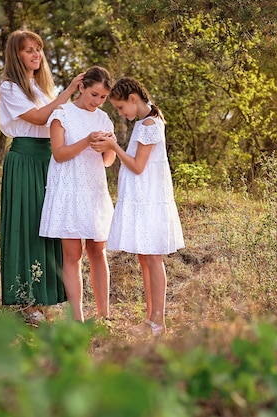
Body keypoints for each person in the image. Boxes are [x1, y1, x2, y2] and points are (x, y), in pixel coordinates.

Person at [0, 29, 84, 322]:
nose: (36, 55)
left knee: (51, 224)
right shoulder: (10, 88)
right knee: (29, 223)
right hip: (25, 159)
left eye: (38, 49)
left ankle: (46, 297)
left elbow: (58, 119)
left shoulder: (43, 89)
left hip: (50, 158)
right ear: (16, 54)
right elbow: (38, 118)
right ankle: (27, 300)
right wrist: (69, 91)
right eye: (28, 50)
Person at [99, 77, 185, 337]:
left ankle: (158, 321)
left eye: (121, 108)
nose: (121, 113)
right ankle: (151, 319)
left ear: (133, 99)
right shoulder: (144, 123)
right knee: (145, 258)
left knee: (153, 258)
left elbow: (137, 166)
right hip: (142, 198)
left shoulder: (149, 125)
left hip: (149, 200)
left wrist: (114, 146)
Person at [39, 66, 117, 322]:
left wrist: (108, 147)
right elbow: (59, 155)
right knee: (72, 255)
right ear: (82, 87)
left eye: (103, 97)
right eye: (94, 94)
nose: (97, 101)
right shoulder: (62, 113)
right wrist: (86, 141)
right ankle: (77, 318)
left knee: (98, 250)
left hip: (94, 188)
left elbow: (108, 162)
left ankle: (104, 315)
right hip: (68, 189)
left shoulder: (104, 119)